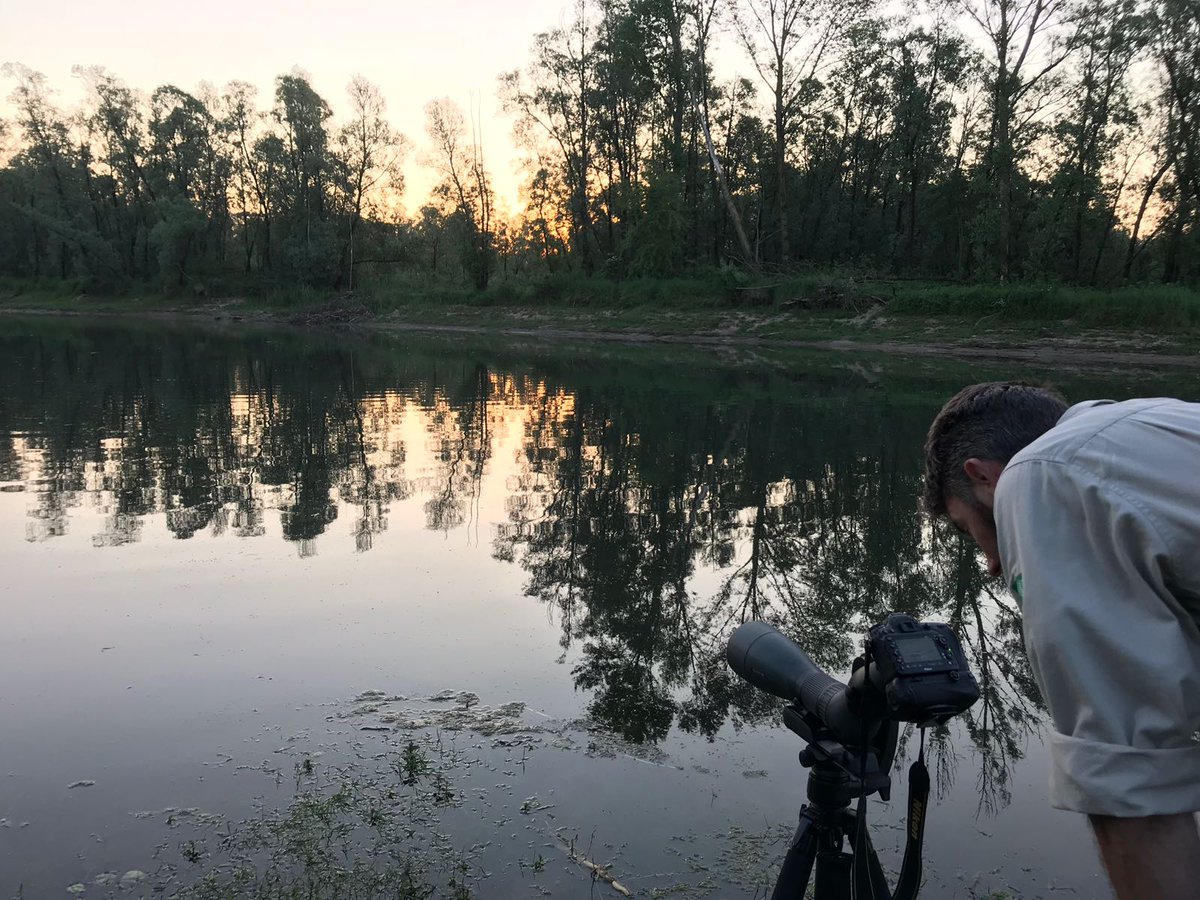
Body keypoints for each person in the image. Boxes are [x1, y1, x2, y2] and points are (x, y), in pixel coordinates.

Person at [922, 382, 1200, 900]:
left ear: (983, 477)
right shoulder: (1154, 423)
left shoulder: (1040, 476)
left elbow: (1127, 783)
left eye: (969, 531)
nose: (992, 563)